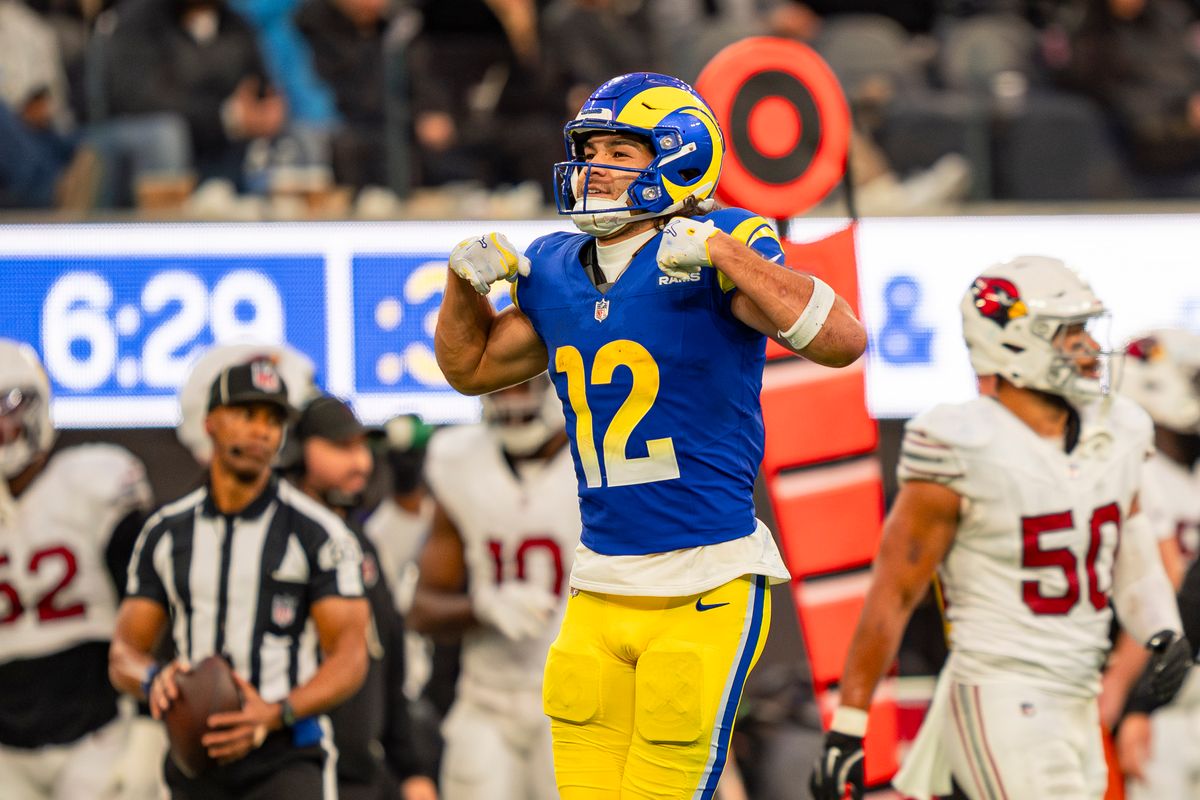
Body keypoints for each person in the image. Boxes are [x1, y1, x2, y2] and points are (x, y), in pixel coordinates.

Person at [434, 71, 867, 797]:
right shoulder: (552, 267)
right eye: (589, 149)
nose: (594, 167)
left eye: (618, 152)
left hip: (707, 578)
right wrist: (461, 286)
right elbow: (472, 367)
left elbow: (842, 339)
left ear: (679, 158)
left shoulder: (727, 239)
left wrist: (726, 255)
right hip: (600, 579)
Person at [809, 256, 1194, 800]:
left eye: (1085, 328)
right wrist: (849, 724)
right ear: (1012, 342)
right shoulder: (959, 443)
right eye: (1068, 332)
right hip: (1000, 689)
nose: (1088, 347)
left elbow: (1132, 549)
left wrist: (1161, 628)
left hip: (1078, 692)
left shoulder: (1119, 429)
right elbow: (893, 594)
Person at [109, 358, 370, 799]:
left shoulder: (318, 532)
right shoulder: (166, 532)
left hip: (286, 755)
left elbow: (350, 656)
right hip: (194, 757)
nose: (261, 431)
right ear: (210, 422)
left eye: (272, 420)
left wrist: (275, 712)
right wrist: (155, 679)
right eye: (247, 415)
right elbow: (123, 654)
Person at [407, 374, 577, 800]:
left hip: (579, 704)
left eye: (523, 385)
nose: (510, 399)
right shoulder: (459, 459)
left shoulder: (597, 461)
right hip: (487, 700)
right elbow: (422, 609)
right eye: (501, 385)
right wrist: (481, 607)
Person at [0, 339, 155, 799]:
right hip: (8, 740)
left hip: (98, 726)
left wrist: (149, 721)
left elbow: (154, 599)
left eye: (6, 413)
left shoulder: (94, 479)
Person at [280, 394, 438, 800]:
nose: (361, 463)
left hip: (359, 774)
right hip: (289, 770)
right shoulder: (273, 541)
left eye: (362, 448)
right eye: (341, 448)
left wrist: (411, 769)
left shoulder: (359, 543)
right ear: (298, 449)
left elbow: (388, 659)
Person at [1105, 330, 1200, 798]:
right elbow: (1160, 584)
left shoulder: (1183, 469)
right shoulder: (1138, 470)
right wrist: (1128, 691)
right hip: (1165, 672)